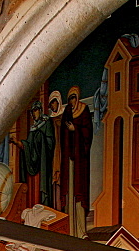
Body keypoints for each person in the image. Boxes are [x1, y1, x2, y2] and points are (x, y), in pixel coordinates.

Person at [58, 86, 92, 237]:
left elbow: (88, 133)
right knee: (69, 193)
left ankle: (80, 230)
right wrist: (69, 130)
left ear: (78, 98)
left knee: (79, 193)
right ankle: (70, 231)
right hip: (69, 160)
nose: (72, 101)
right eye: (70, 98)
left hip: (80, 161)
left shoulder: (84, 110)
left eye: (74, 98)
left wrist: (75, 129)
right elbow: (62, 135)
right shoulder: (67, 112)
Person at [11, 101, 55, 208]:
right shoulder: (33, 127)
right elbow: (28, 145)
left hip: (43, 162)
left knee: (42, 187)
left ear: (40, 110)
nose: (33, 114)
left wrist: (40, 140)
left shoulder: (47, 122)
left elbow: (51, 142)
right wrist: (18, 142)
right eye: (32, 112)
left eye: (35, 111)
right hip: (33, 163)